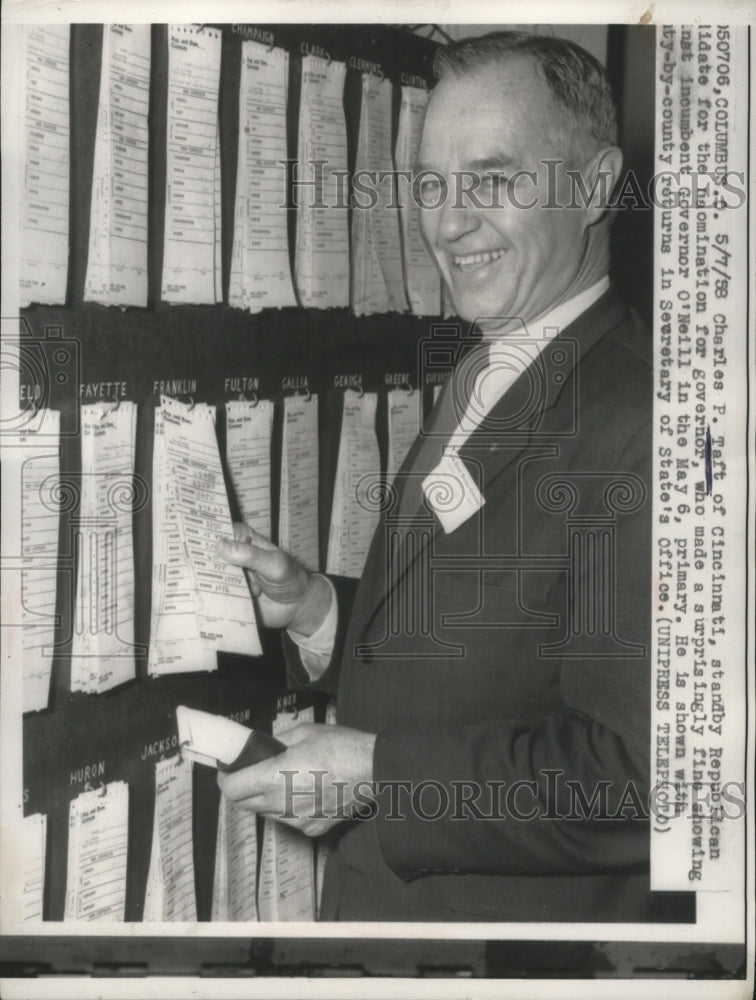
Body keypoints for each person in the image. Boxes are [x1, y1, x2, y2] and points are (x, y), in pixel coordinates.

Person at [216, 32, 685, 922]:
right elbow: (500, 645)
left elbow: (643, 779)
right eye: (432, 184)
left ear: (594, 187)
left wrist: (380, 775)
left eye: (493, 180)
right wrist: (319, 610)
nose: (450, 223)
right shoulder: (490, 363)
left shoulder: (652, 421)